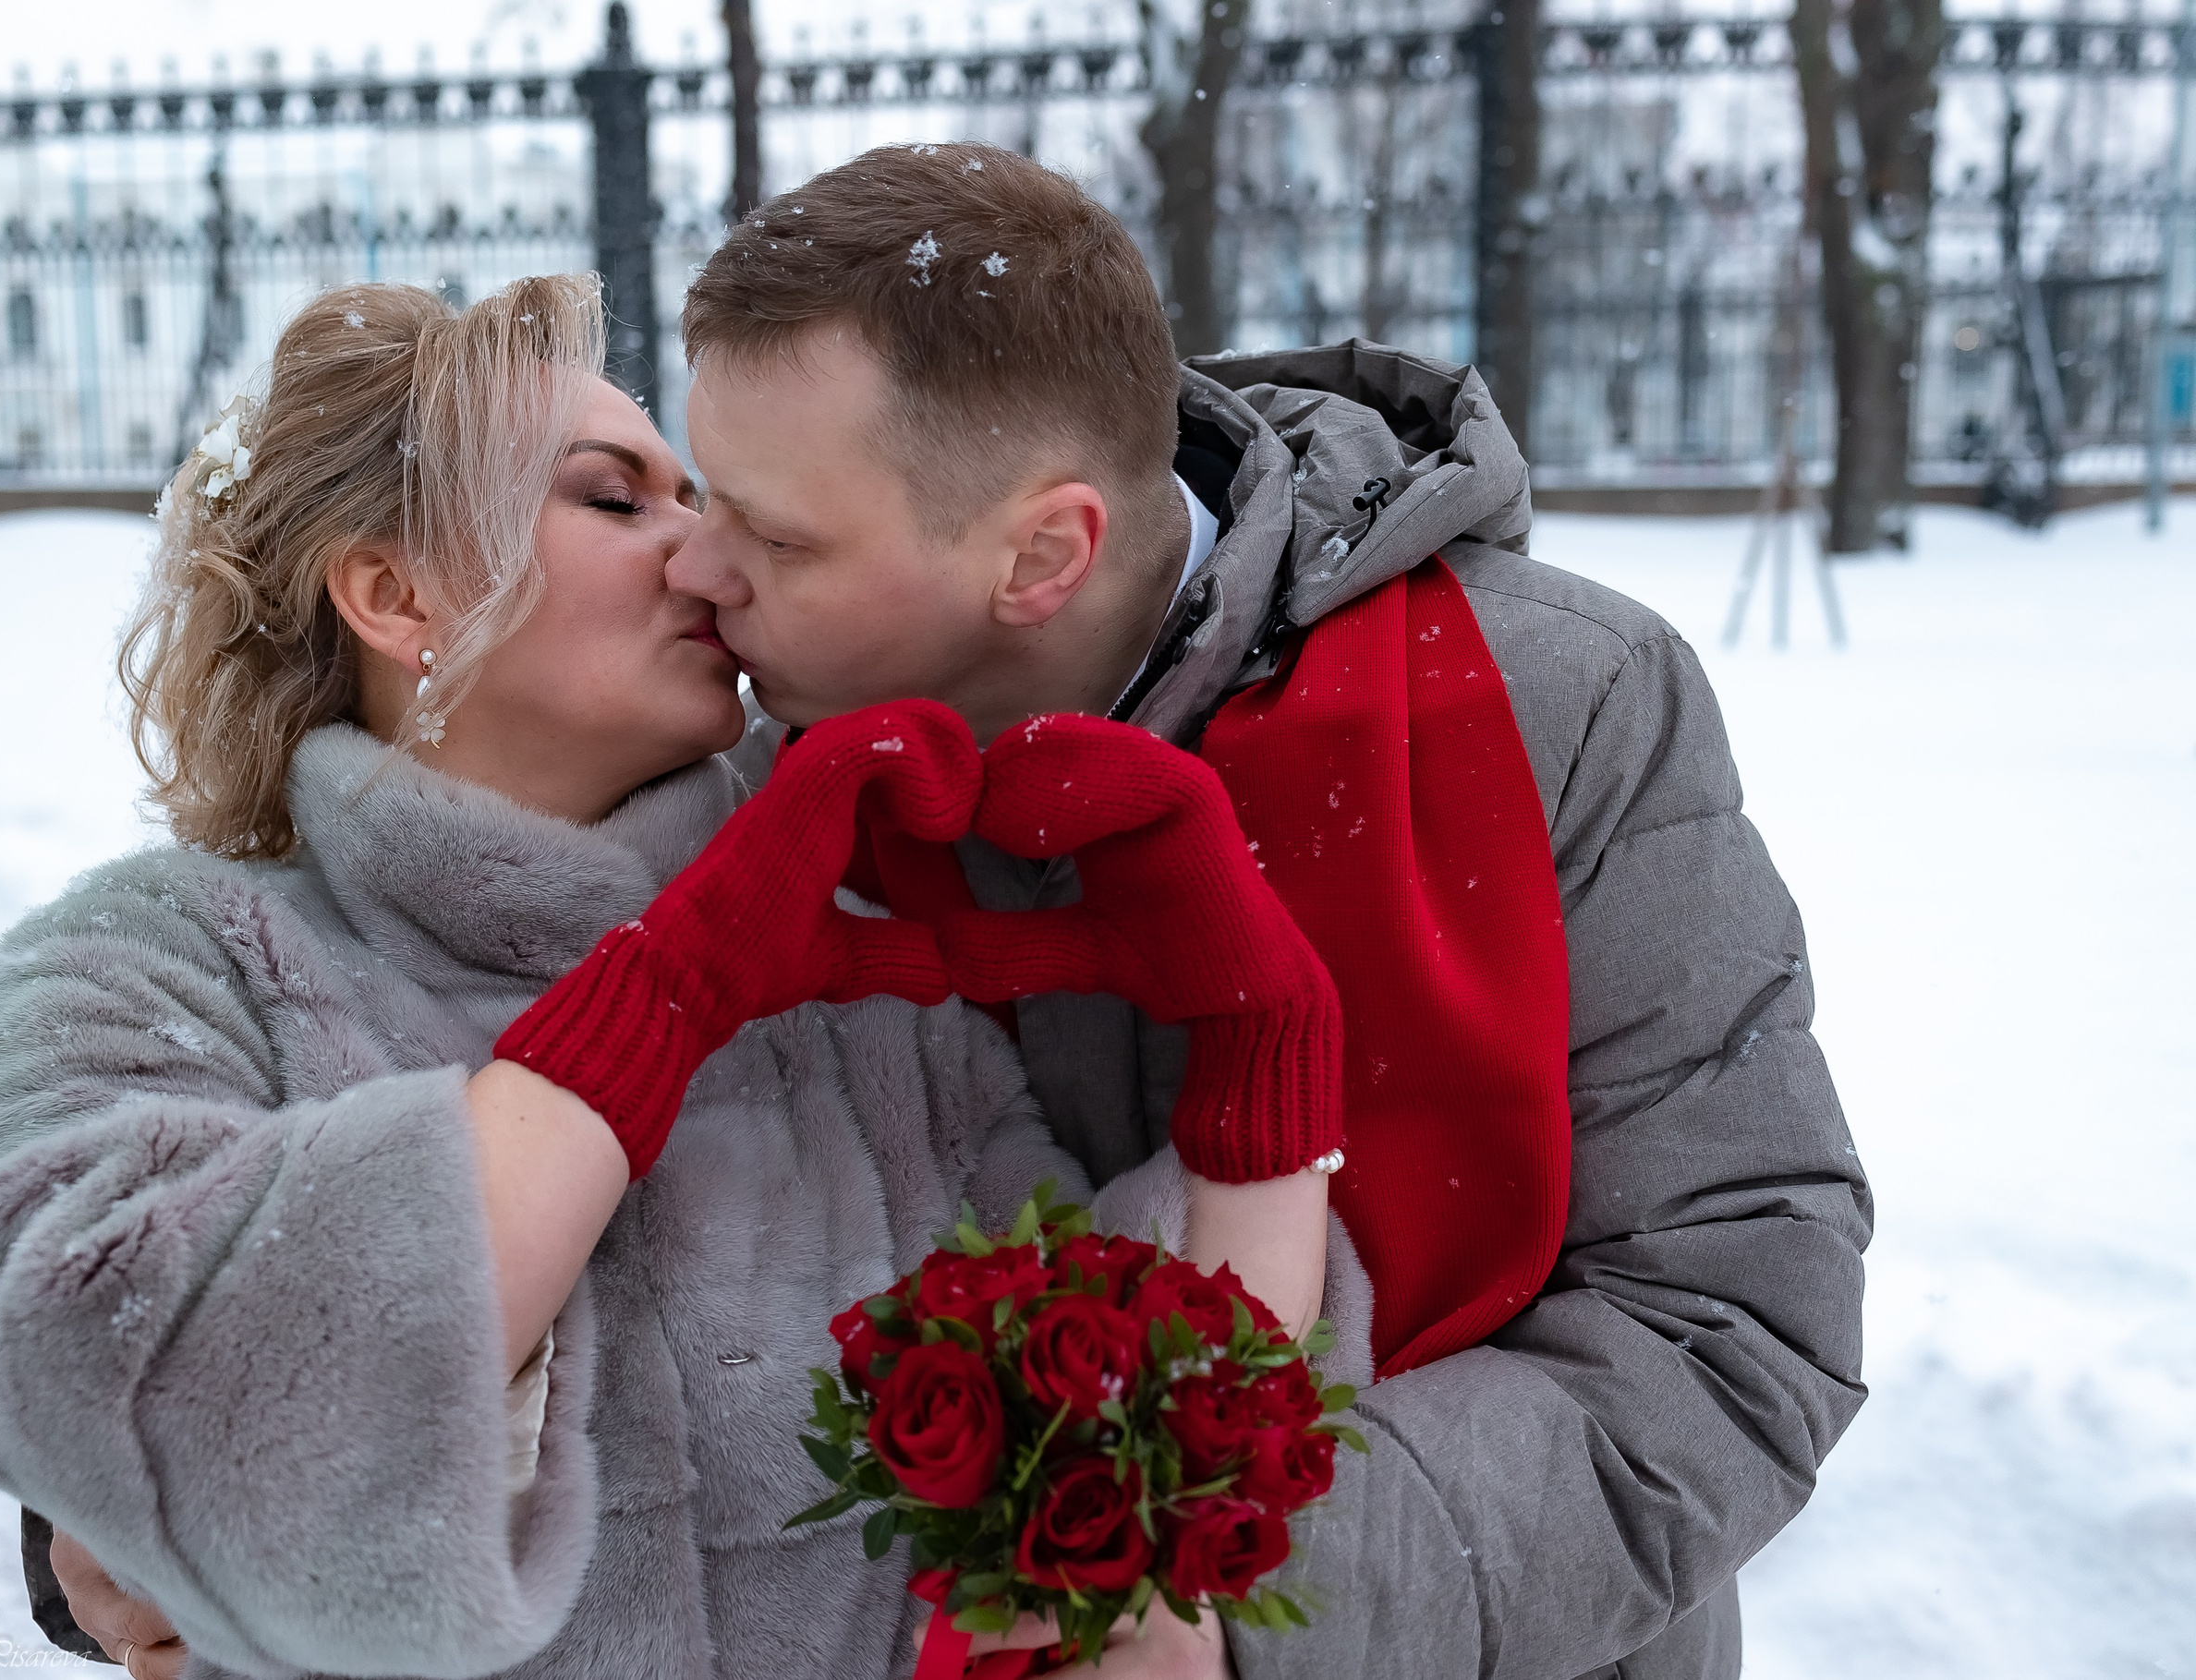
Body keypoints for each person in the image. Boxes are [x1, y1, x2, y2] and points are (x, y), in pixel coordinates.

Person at [0, 273, 1344, 1679]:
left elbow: (1125, 1449)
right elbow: (172, 1391)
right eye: (614, 497)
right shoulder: (152, 962)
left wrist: (1266, 1047)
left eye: (699, 499)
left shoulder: (862, 975)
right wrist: (671, 993)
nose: (705, 555)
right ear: (394, 592)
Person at [667, 139, 1872, 1679]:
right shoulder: (765, 786)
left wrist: (1223, 1602)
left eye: (775, 537)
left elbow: (1734, 1313)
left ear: (1043, 554)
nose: (698, 569)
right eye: (707, 490)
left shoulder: (1554, 698)